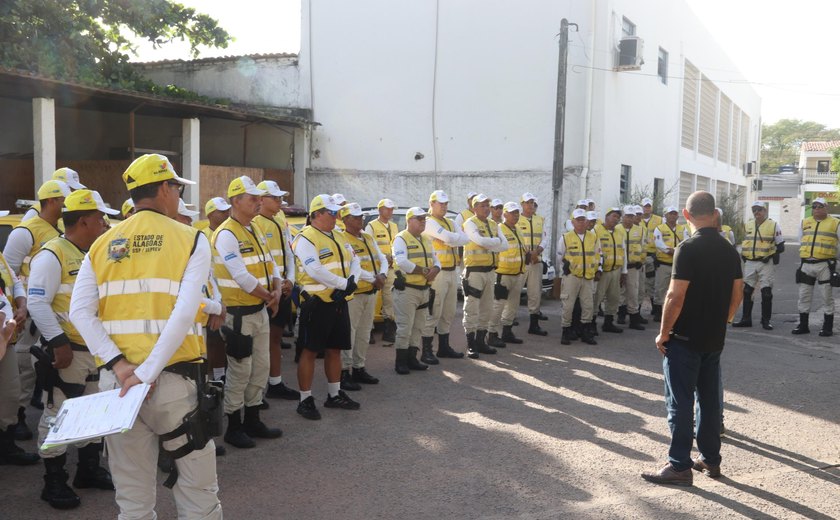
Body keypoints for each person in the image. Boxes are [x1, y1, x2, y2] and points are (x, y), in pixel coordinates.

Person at [70, 153, 222, 518]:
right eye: (176, 188)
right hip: (173, 386)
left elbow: (79, 313)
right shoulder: (190, 238)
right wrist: (146, 373)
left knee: (133, 499)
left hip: (119, 387)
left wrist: (123, 367)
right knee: (198, 493)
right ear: (165, 189)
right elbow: (185, 312)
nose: (178, 198)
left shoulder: (101, 244)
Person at [641, 191, 742, 487]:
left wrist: (664, 332)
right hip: (714, 338)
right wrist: (722, 321)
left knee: (680, 403)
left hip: (685, 339)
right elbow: (738, 293)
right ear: (714, 214)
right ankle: (710, 459)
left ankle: (679, 465)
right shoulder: (729, 250)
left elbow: (675, 295)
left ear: (686, 216)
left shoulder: (687, 248)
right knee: (709, 401)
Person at [28, 189, 117, 508]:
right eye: (99, 218)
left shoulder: (94, 252)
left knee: (95, 411)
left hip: (95, 351)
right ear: (83, 221)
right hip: (68, 352)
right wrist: (58, 342)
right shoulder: (52, 255)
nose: (105, 223)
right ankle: (53, 482)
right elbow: (37, 302)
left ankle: (88, 470)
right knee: (58, 414)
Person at [211, 176, 283, 449]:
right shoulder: (227, 234)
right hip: (239, 314)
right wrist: (270, 296)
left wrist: (275, 291)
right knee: (241, 369)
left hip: (260, 309)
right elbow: (240, 275)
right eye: (252, 198)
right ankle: (234, 425)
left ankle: (253, 418)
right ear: (235, 201)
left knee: (261, 367)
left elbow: (271, 264)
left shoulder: (254, 229)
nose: (258, 202)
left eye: (258, 198)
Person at [3, 179, 70, 439]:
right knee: (25, 370)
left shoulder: (59, 228)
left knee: (43, 368)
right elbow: (8, 274)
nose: (67, 205)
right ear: (51, 201)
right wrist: (20, 307)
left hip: (52, 311)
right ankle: (16, 419)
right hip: (29, 314)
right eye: (64, 200)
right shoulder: (26, 231)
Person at [292, 194, 361, 420]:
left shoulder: (339, 235)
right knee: (310, 351)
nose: (336, 217)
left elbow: (355, 261)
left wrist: (352, 282)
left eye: (337, 213)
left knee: (335, 349)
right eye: (332, 213)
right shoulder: (305, 238)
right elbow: (314, 271)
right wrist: (344, 284)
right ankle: (305, 399)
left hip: (339, 302)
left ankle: (334, 394)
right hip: (317, 303)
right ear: (317, 214)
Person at [254, 181, 299, 401]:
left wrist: (290, 280)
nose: (279, 201)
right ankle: (256, 391)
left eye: (280, 197)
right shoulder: (255, 224)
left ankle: (275, 382)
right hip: (267, 292)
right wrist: (274, 286)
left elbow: (289, 255)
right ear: (260, 199)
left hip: (282, 289)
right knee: (263, 342)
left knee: (275, 337)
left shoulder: (280, 222)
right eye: (275, 198)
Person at [337, 203, 386, 385]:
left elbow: (381, 258)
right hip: (354, 295)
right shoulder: (342, 239)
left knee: (365, 333)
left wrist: (382, 274)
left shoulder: (367, 237)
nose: (360, 220)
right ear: (345, 219)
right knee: (349, 333)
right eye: (356, 217)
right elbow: (352, 265)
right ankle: (344, 372)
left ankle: (359, 367)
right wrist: (374, 278)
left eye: (361, 217)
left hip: (371, 292)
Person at [0, 244, 38, 467]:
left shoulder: (1, 257)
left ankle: (6, 447)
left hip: (6, 340)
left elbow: (14, 282)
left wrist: (22, 306)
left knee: (11, 394)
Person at [392, 207, 440, 373]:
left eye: (424, 219)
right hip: (407, 290)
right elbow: (402, 261)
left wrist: (436, 269)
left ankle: (412, 358)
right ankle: (401, 362)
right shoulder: (401, 239)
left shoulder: (426, 239)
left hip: (424, 289)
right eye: (419, 219)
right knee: (405, 326)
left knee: (418, 326)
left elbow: (436, 260)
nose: (423, 222)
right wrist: (426, 271)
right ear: (409, 220)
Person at [421, 190, 469, 359]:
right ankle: (426, 351)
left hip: (451, 271)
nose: (444, 206)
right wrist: (452, 238)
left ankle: (443, 347)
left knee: (448, 312)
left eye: (446, 203)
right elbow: (452, 238)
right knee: (433, 311)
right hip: (437, 274)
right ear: (431, 204)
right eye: (440, 203)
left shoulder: (449, 222)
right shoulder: (428, 222)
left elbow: (465, 239)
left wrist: (451, 238)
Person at [462, 194, 508, 358]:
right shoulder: (469, 223)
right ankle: (471, 344)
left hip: (490, 271)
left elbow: (505, 245)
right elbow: (479, 241)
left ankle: (481, 342)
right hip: (474, 272)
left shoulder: (493, 224)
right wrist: (495, 241)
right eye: (482, 205)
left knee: (487, 308)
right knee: (472, 308)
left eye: (487, 205)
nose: (486, 208)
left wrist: (492, 241)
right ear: (474, 208)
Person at [733, 201, 785, 330]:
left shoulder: (774, 225)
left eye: (759, 209)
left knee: (766, 292)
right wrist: (743, 255)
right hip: (750, 262)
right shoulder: (748, 225)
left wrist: (771, 255)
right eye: (754, 210)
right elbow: (745, 242)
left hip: (766, 263)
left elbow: (781, 246)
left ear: (765, 211)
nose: (757, 212)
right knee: (747, 291)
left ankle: (765, 321)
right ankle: (746, 319)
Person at [792, 197, 839, 336]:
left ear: (826, 207)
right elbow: (800, 241)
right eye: (814, 206)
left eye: (820, 206)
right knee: (804, 295)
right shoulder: (804, 222)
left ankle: (827, 327)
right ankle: (803, 325)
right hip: (806, 264)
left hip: (825, 265)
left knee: (827, 296)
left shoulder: (835, 223)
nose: (817, 209)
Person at [558, 209, 600, 346]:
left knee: (588, 305)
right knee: (568, 305)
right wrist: (566, 268)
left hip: (587, 276)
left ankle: (585, 332)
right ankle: (566, 331)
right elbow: (560, 255)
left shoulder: (593, 237)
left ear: (587, 221)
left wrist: (596, 270)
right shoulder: (565, 237)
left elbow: (597, 255)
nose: (581, 222)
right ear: (573, 222)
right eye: (578, 220)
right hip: (572, 276)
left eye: (583, 219)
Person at [203, 197, 232, 384]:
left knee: (226, 338)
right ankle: (214, 375)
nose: (226, 214)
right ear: (211, 214)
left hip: (229, 295)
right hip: (211, 296)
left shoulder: (229, 233)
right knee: (212, 339)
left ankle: (221, 373)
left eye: (227, 210)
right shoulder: (202, 236)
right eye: (222, 211)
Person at [491, 202, 527, 345]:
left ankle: (507, 332)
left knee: (513, 305)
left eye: (517, 213)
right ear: (504, 214)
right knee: (498, 305)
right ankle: (491, 334)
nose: (515, 216)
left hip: (517, 274)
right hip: (503, 274)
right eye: (512, 213)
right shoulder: (499, 229)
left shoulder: (517, 230)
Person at [365, 198, 398, 345]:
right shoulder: (371, 226)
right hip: (376, 268)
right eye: (387, 209)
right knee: (374, 299)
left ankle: (388, 330)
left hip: (391, 268)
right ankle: (369, 330)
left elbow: (396, 245)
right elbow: (368, 246)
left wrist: (394, 258)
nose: (390, 211)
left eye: (391, 209)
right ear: (380, 210)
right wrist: (384, 257)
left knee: (389, 298)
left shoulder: (394, 226)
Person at [517, 193, 548, 336]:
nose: (530, 205)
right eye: (527, 202)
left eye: (532, 202)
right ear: (522, 204)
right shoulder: (516, 218)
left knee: (535, 294)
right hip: (520, 262)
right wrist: (528, 254)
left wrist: (537, 251)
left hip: (536, 261)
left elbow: (545, 238)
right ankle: (507, 324)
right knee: (514, 292)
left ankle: (534, 325)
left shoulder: (540, 219)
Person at [593, 207, 627, 333]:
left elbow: (624, 254)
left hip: (616, 271)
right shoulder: (596, 230)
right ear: (607, 216)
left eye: (618, 217)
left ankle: (608, 323)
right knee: (597, 297)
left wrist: (624, 272)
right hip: (602, 271)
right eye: (614, 216)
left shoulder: (619, 233)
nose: (616, 219)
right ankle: (591, 324)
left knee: (614, 297)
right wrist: (596, 270)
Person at [652, 207, 688, 322]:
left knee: (676, 290)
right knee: (660, 288)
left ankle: (675, 311)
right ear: (665, 215)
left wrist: (677, 251)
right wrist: (671, 251)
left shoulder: (682, 229)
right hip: (663, 263)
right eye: (670, 214)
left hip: (678, 265)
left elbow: (686, 242)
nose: (672, 216)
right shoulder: (659, 228)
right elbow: (659, 243)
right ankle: (658, 312)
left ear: (677, 216)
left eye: (675, 214)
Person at [619, 206, 647, 330]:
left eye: (632, 216)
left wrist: (641, 260)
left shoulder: (640, 230)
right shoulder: (617, 229)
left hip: (633, 267)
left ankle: (633, 319)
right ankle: (620, 315)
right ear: (623, 217)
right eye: (627, 216)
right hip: (619, 266)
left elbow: (643, 246)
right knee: (620, 291)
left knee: (633, 292)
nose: (630, 219)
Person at [641, 198, 663, 313]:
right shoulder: (637, 219)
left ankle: (655, 309)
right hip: (640, 255)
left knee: (652, 281)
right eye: (645, 206)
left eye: (649, 206)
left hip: (652, 254)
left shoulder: (659, 220)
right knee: (639, 283)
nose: (647, 208)